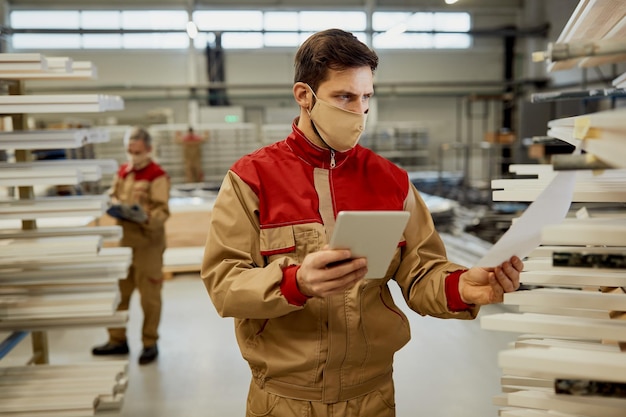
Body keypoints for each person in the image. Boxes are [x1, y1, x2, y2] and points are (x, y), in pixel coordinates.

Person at [201, 29, 523, 416]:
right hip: (284, 399)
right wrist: (296, 282)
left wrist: (462, 288)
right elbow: (225, 283)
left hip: (372, 396)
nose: (358, 111)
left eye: (366, 97)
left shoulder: (391, 181)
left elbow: (421, 272)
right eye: (344, 97)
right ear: (304, 96)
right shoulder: (252, 179)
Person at [92, 126, 170, 365]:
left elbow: (162, 212)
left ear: (148, 150)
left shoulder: (157, 175)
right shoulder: (124, 171)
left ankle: (149, 343)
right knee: (119, 294)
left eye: (137, 152)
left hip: (148, 245)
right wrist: (112, 203)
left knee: (150, 298)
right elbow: (114, 194)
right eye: (129, 151)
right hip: (125, 243)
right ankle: (117, 340)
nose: (133, 156)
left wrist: (144, 217)